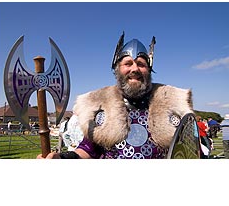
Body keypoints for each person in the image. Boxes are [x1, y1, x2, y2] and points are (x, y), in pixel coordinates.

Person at [37, 33, 195, 159]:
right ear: (117, 69)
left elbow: (188, 154)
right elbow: (87, 152)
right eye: (128, 63)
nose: (135, 69)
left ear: (149, 69)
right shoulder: (100, 108)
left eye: (141, 64)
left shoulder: (172, 107)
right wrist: (62, 158)